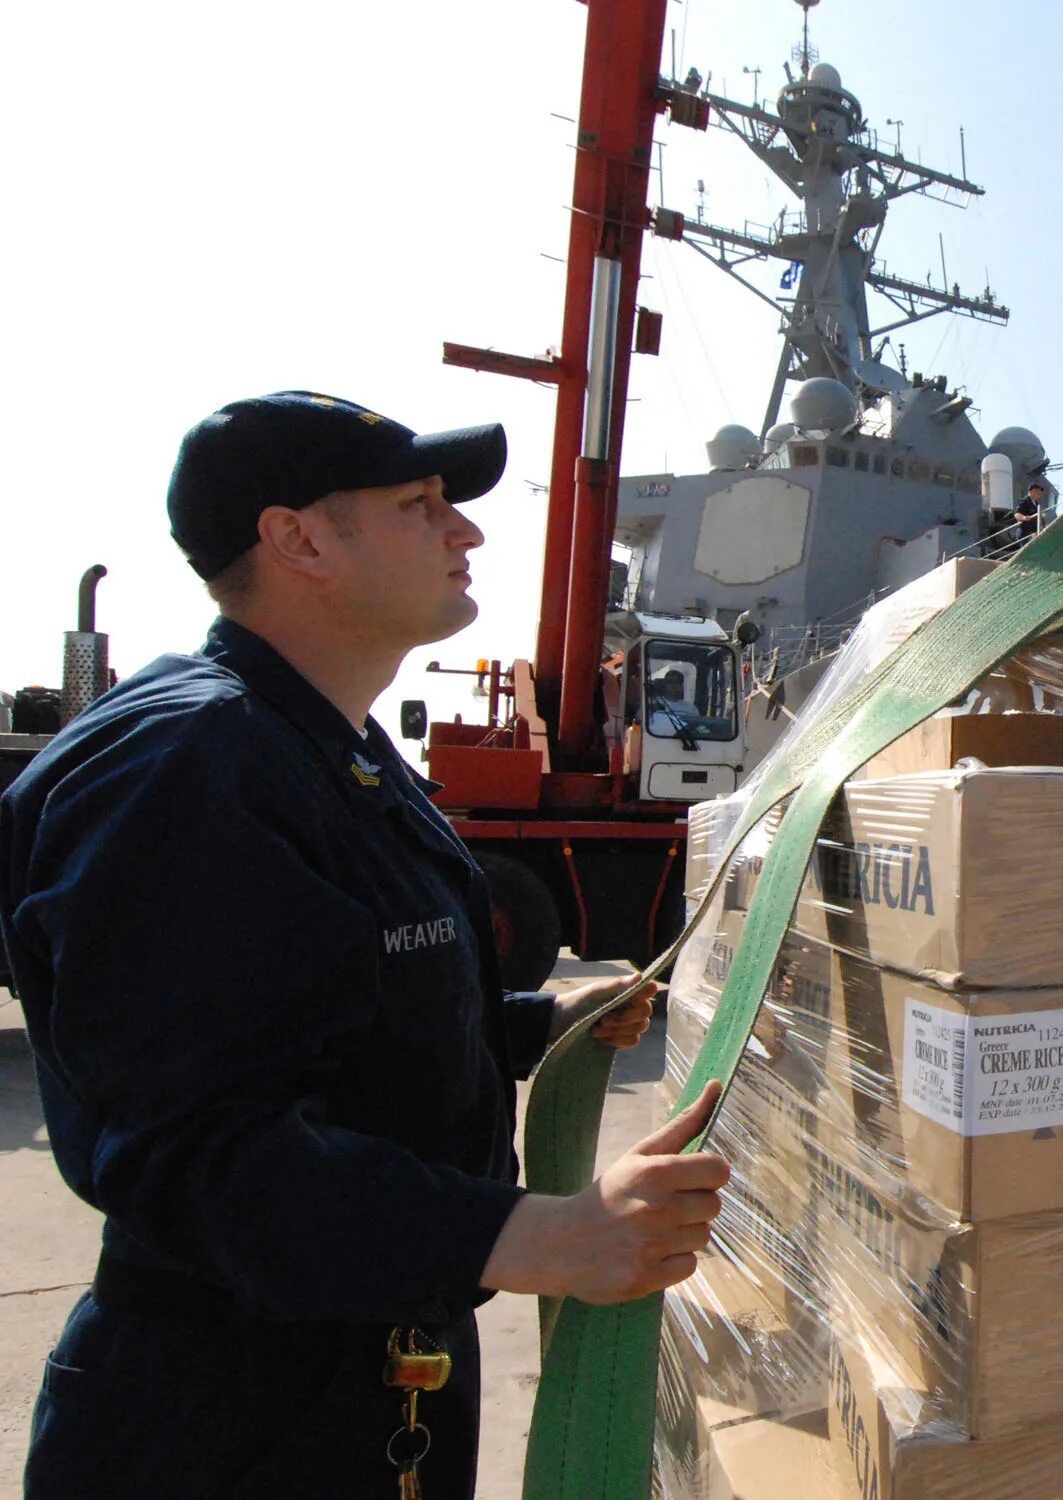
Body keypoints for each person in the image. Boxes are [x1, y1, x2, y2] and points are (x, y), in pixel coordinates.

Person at [0, 391, 732, 1499]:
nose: (468, 530)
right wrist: (542, 1237)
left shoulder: (321, 744)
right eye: (420, 503)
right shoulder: (188, 767)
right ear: (296, 539)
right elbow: (199, 1154)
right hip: (233, 1427)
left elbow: (327, 1014)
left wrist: (536, 1024)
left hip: (358, 1373)